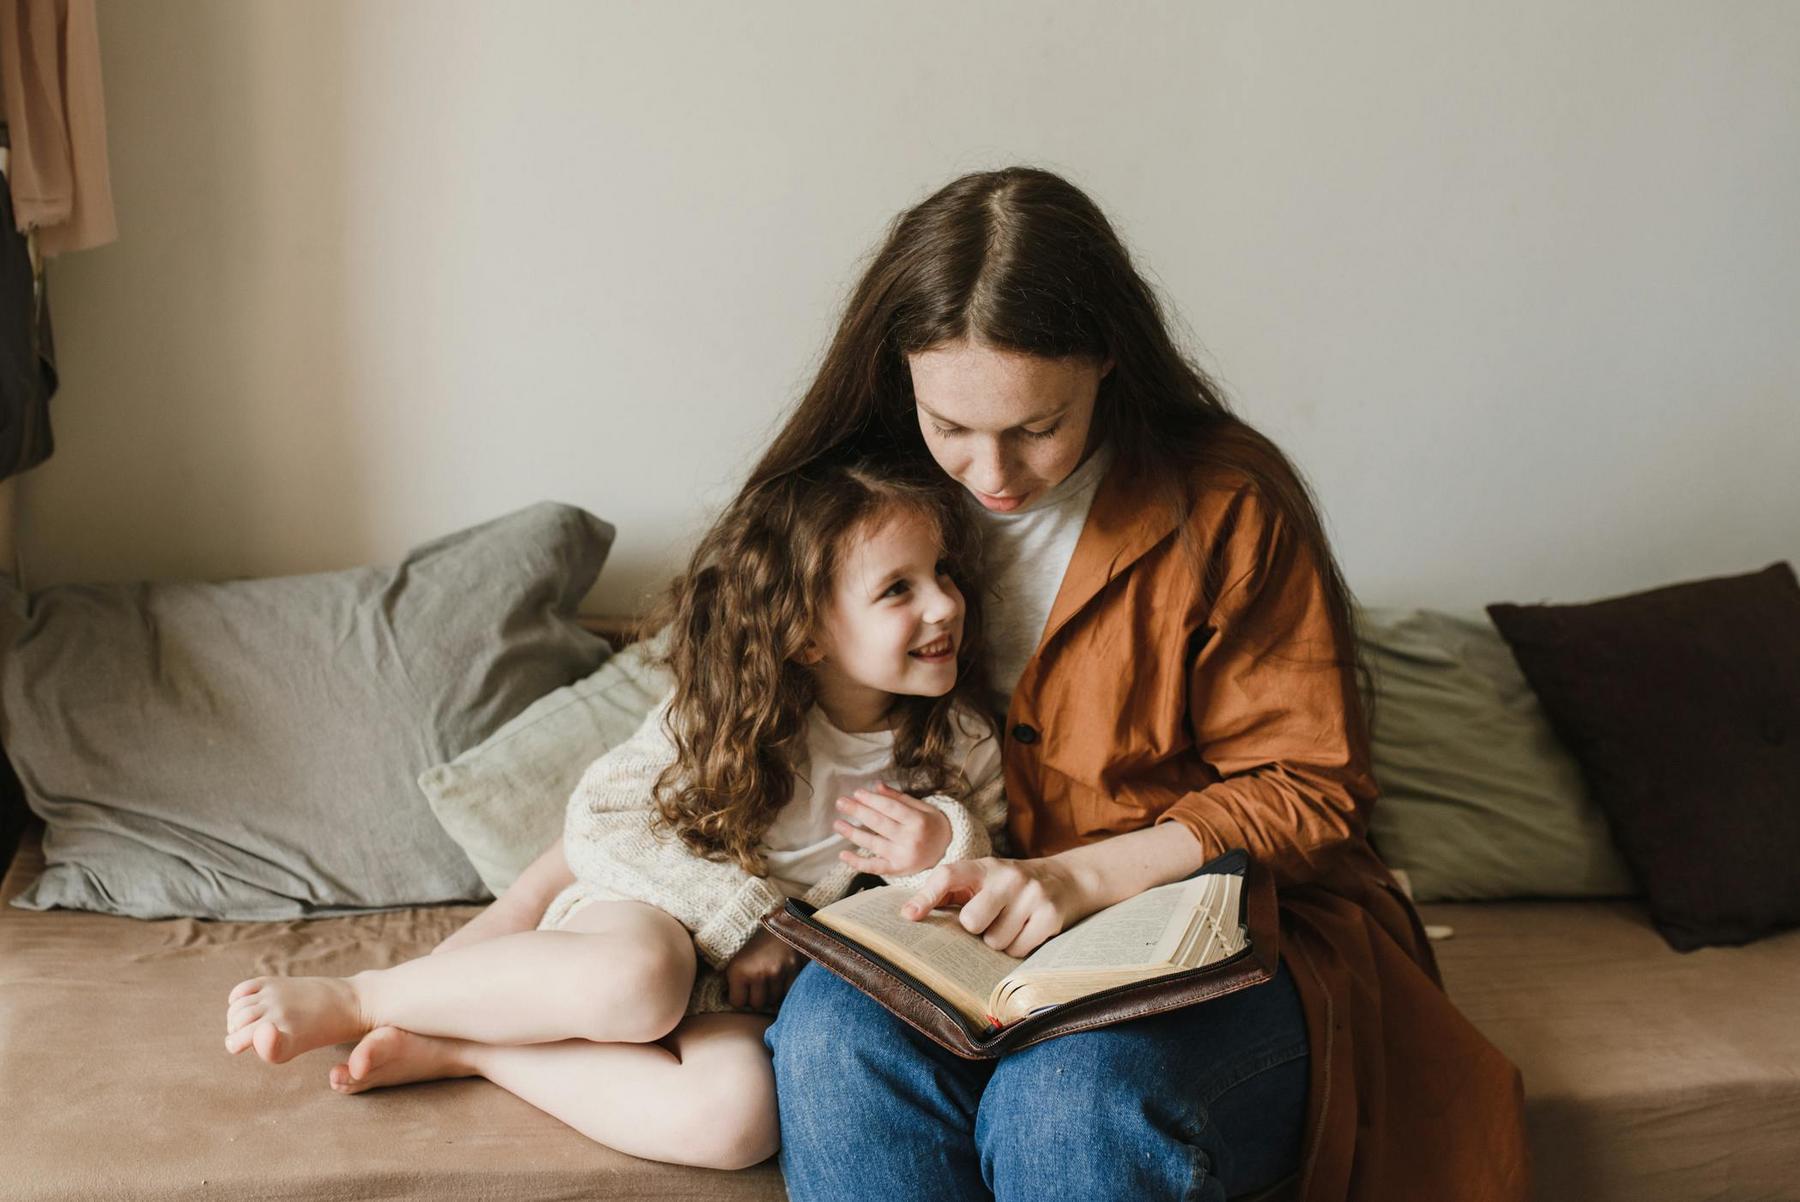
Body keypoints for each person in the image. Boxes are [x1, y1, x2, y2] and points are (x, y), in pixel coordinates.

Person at [418, 165, 1528, 1200]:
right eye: (951, 425)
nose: (992, 476)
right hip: (931, 935)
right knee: (826, 1040)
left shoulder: (1227, 501)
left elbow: (1311, 784)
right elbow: (698, 747)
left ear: (1106, 362)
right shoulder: (861, 514)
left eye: (1037, 428)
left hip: (1213, 933)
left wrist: (1081, 877)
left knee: (1070, 1104)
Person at [222, 459, 1006, 1171]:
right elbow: (602, 819)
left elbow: (980, 889)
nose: (944, 604)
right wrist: (754, 920)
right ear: (803, 633)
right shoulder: (721, 712)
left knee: (736, 1123)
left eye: (942, 574)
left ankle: (475, 1049)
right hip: (648, 923)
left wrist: (946, 846)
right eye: (898, 589)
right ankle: (361, 997)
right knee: (641, 982)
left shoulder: (962, 741)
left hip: (738, 998)